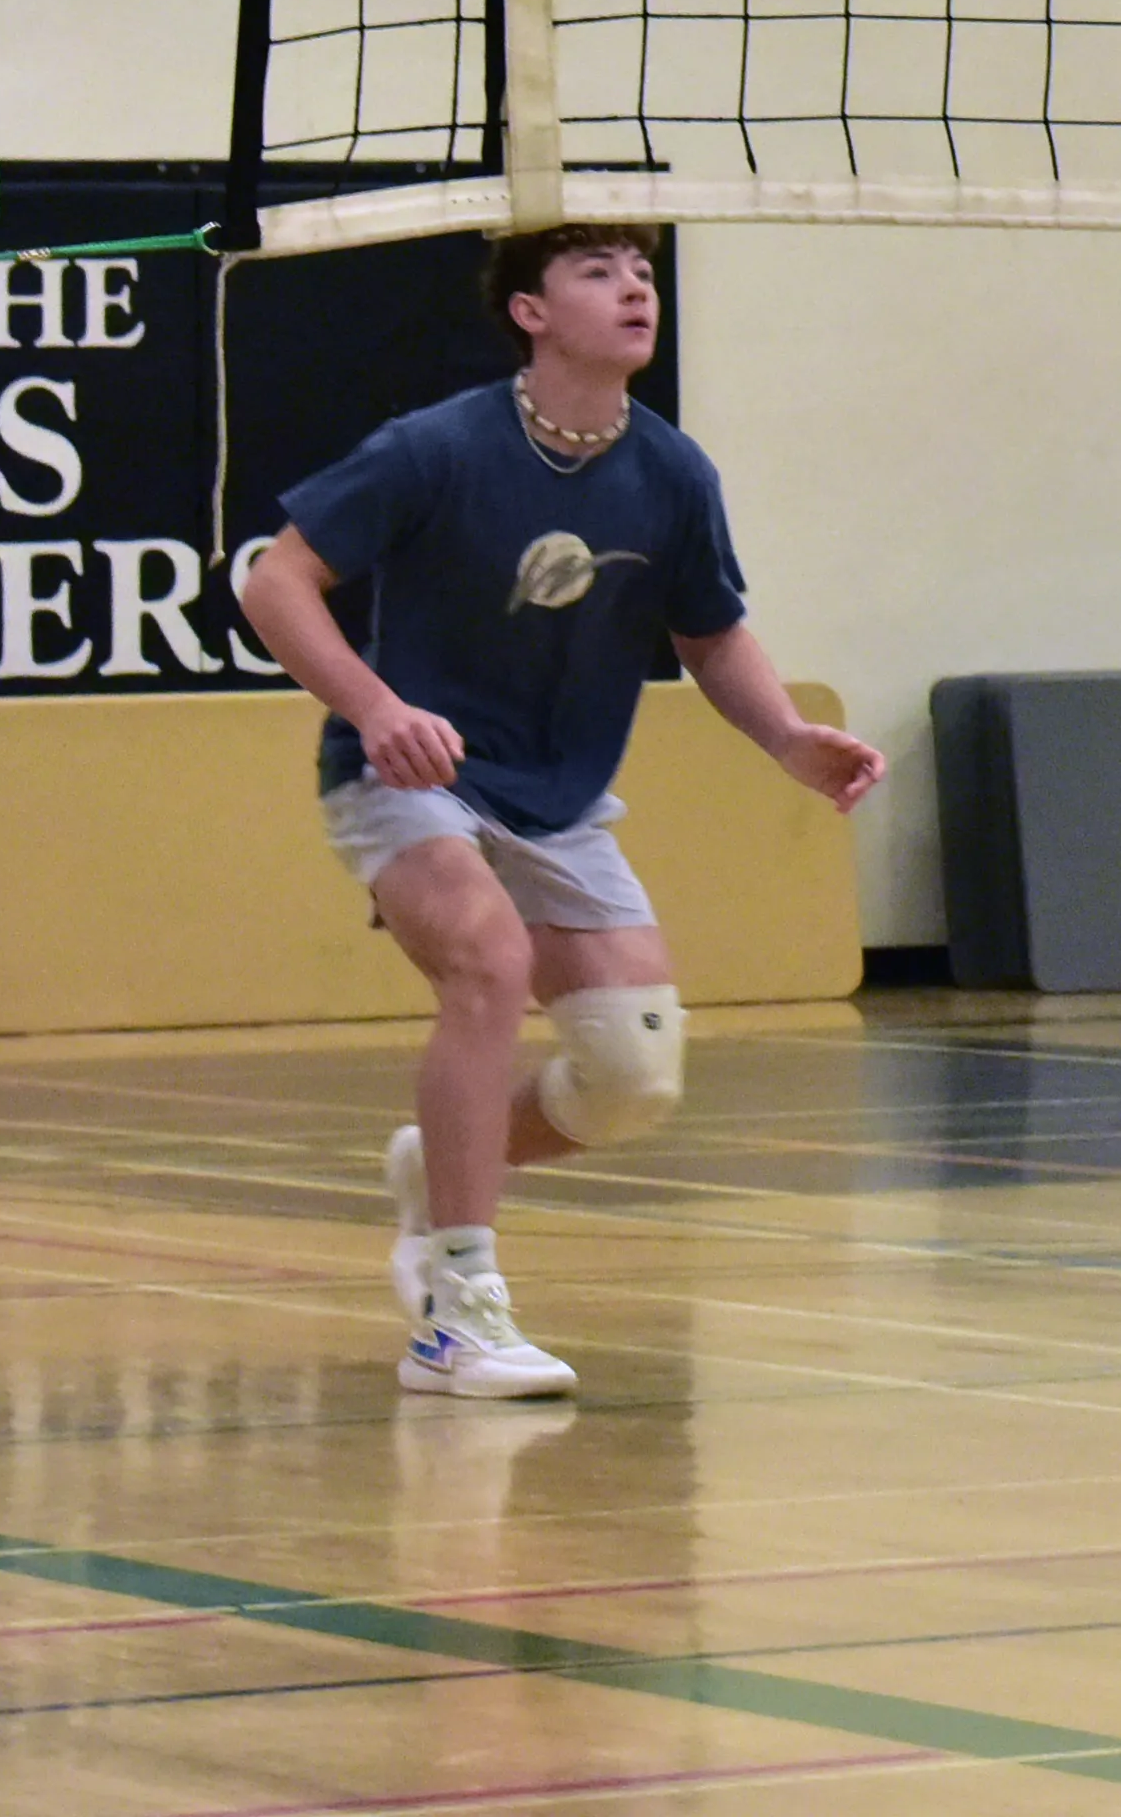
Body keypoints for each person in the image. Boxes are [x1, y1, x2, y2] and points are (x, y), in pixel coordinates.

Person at [235, 223, 884, 1398]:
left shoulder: (673, 471)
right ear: (531, 310)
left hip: (563, 796)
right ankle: (458, 1305)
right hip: (412, 771)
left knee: (633, 1075)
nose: (635, 285)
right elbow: (277, 578)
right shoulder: (433, 446)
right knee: (483, 959)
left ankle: (437, 1169)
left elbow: (710, 629)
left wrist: (788, 734)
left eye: (641, 268)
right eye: (597, 270)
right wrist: (378, 707)